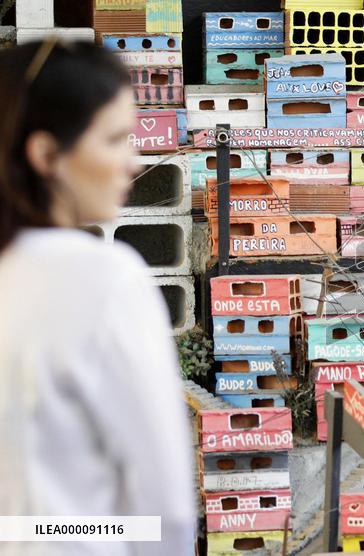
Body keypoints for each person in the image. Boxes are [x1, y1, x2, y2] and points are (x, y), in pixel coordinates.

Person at [0, 39, 195, 554]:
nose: (134, 162)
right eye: (115, 139)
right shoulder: (105, 281)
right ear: (46, 155)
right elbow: (165, 511)